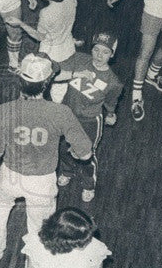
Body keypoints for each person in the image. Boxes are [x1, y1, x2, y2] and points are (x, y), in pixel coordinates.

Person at [0, 53, 92, 268]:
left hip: (10, 175)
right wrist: (76, 153)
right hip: (42, 181)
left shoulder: (4, 110)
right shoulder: (60, 113)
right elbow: (85, 153)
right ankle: (33, 264)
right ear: (48, 81)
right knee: (39, 226)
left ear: (20, 80)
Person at [50, 32, 123, 202]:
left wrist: (111, 114)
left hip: (90, 121)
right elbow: (55, 69)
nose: (99, 55)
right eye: (96, 49)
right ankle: (67, 171)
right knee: (66, 147)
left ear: (112, 55)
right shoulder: (79, 59)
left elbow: (111, 103)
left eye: (105, 52)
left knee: (87, 154)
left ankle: (89, 184)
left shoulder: (113, 82)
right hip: (68, 114)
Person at [10, 0, 78, 68]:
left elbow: (40, 37)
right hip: (68, 47)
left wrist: (20, 23)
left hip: (50, 54)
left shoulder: (46, 13)